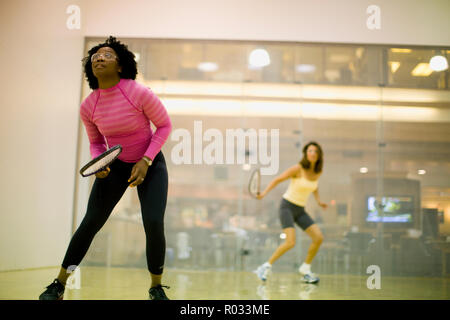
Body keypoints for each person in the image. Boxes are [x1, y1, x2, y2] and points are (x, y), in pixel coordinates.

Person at [39, 36, 172, 300]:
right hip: (116, 167)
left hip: (150, 163)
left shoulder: (137, 92)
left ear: (121, 65)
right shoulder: (89, 106)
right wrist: (100, 163)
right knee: (90, 223)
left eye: (107, 54)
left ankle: (156, 287)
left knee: (154, 222)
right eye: (96, 55)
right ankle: (59, 284)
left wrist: (145, 161)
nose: (99, 57)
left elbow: (164, 126)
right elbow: (96, 143)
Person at [255, 142, 327, 284]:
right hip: (287, 206)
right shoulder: (297, 169)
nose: (312, 153)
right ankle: (264, 267)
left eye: (315, 151)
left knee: (318, 238)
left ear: (319, 155)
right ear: (306, 153)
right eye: (310, 151)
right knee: (290, 242)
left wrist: (319, 201)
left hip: (300, 210)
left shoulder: (318, 172)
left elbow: (314, 187)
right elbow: (277, 180)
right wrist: (263, 193)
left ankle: (305, 269)